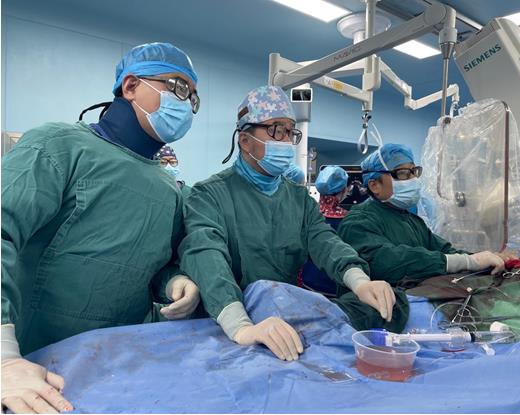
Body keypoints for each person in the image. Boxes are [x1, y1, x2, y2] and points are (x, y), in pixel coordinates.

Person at [1, 42, 202, 414]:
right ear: (130, 86)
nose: (186, 103)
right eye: (177, 87)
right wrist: (4, 355)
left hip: (118, 370)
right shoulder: (58, 146)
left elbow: (149, 265)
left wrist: (173, 281)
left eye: (192, 97)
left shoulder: (168, 189)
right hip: (31, 369)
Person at [180, 85, 409, 362]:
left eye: (291, 132)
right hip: (224, 327)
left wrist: (359, 282)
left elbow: (325, 242)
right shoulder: (209, 195)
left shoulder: (298, 199)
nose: (287, 141)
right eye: (277, 130)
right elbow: (206, 256)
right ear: (244, 141)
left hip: (283, 323)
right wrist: (240, 327)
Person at [338, 143, 509, 285]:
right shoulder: (358, 221)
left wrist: (483, 259)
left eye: (414, 171)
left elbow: (445, 251)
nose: (413, 179)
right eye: (403, 173)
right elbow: (389, 262)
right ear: (374, 185)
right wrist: (467, 262)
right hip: (377, 310)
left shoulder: (411, 220)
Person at [299, 165, 351, 296]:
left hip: (308, 281)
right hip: (336, 284)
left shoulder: (308, 215)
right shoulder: (350, 220)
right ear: (344, 190)